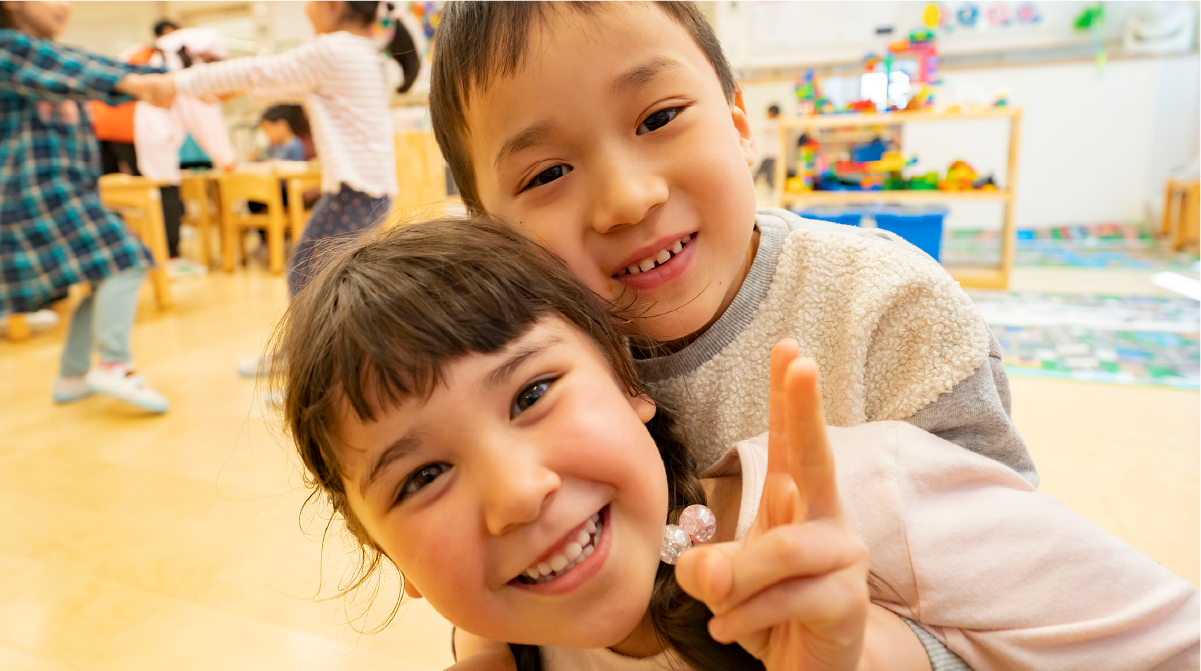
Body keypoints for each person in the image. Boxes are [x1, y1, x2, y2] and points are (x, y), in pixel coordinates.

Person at [273, 218, 1201, 671]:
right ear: (384, 554)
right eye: (425, 473)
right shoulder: (505, 629)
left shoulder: (863, 492)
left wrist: (879, 656)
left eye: (532, 391)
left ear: (631, 383)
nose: (517, 492)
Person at [427, 0, 1037, 484]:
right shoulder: (518, 371)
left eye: (658, 118)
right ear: (492, 233)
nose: (628, 199)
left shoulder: (891, 310)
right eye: (548, 174)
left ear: (740, 125)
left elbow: (1009, 579)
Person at [135, 0, 421, 376]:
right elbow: (280, 83)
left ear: (334, 5)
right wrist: (226, 89)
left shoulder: (334, 49)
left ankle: (312, 367)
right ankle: (313, 362)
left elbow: (259, 71)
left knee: (311, 274)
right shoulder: (360, 52)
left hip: (358, 190)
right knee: (324, 275)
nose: (305, 9)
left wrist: (174, 83)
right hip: (368, 190)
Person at [1, 0, 172, 412]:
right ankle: (114, 363)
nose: (67, 5)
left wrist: (181, 81)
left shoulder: (52, 53)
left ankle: (72, 375)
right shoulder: (8, 47)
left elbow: (91, 65)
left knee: (103, 273)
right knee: (127, 259)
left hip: (65, 189)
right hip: (34, 189)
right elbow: (82, 74)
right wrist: (137, 83)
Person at [753, 103, 780, 189]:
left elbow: (757, 129)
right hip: (775, 152)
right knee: (768, 172)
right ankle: (771, 188)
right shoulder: (779, 123)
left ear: (772, 113)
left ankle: (751, 185)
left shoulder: (770, 123)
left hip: (770, 153)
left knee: (761, 170)